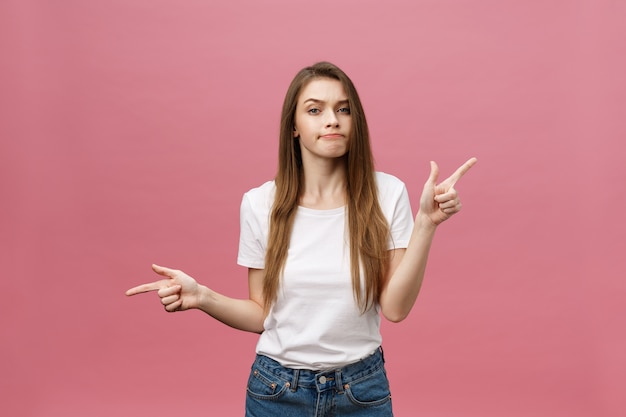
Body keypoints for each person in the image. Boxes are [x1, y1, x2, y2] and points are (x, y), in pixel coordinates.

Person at [126, 61, 477, 417]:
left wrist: (426, 225)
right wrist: (202, 296)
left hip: (362, 390)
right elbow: (262, 314)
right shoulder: (261, 203)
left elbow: (396, 309)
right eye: (315, 110)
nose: (332, 120)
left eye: (344, 109)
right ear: (293, 126)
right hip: (278, 393)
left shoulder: (387, 193)